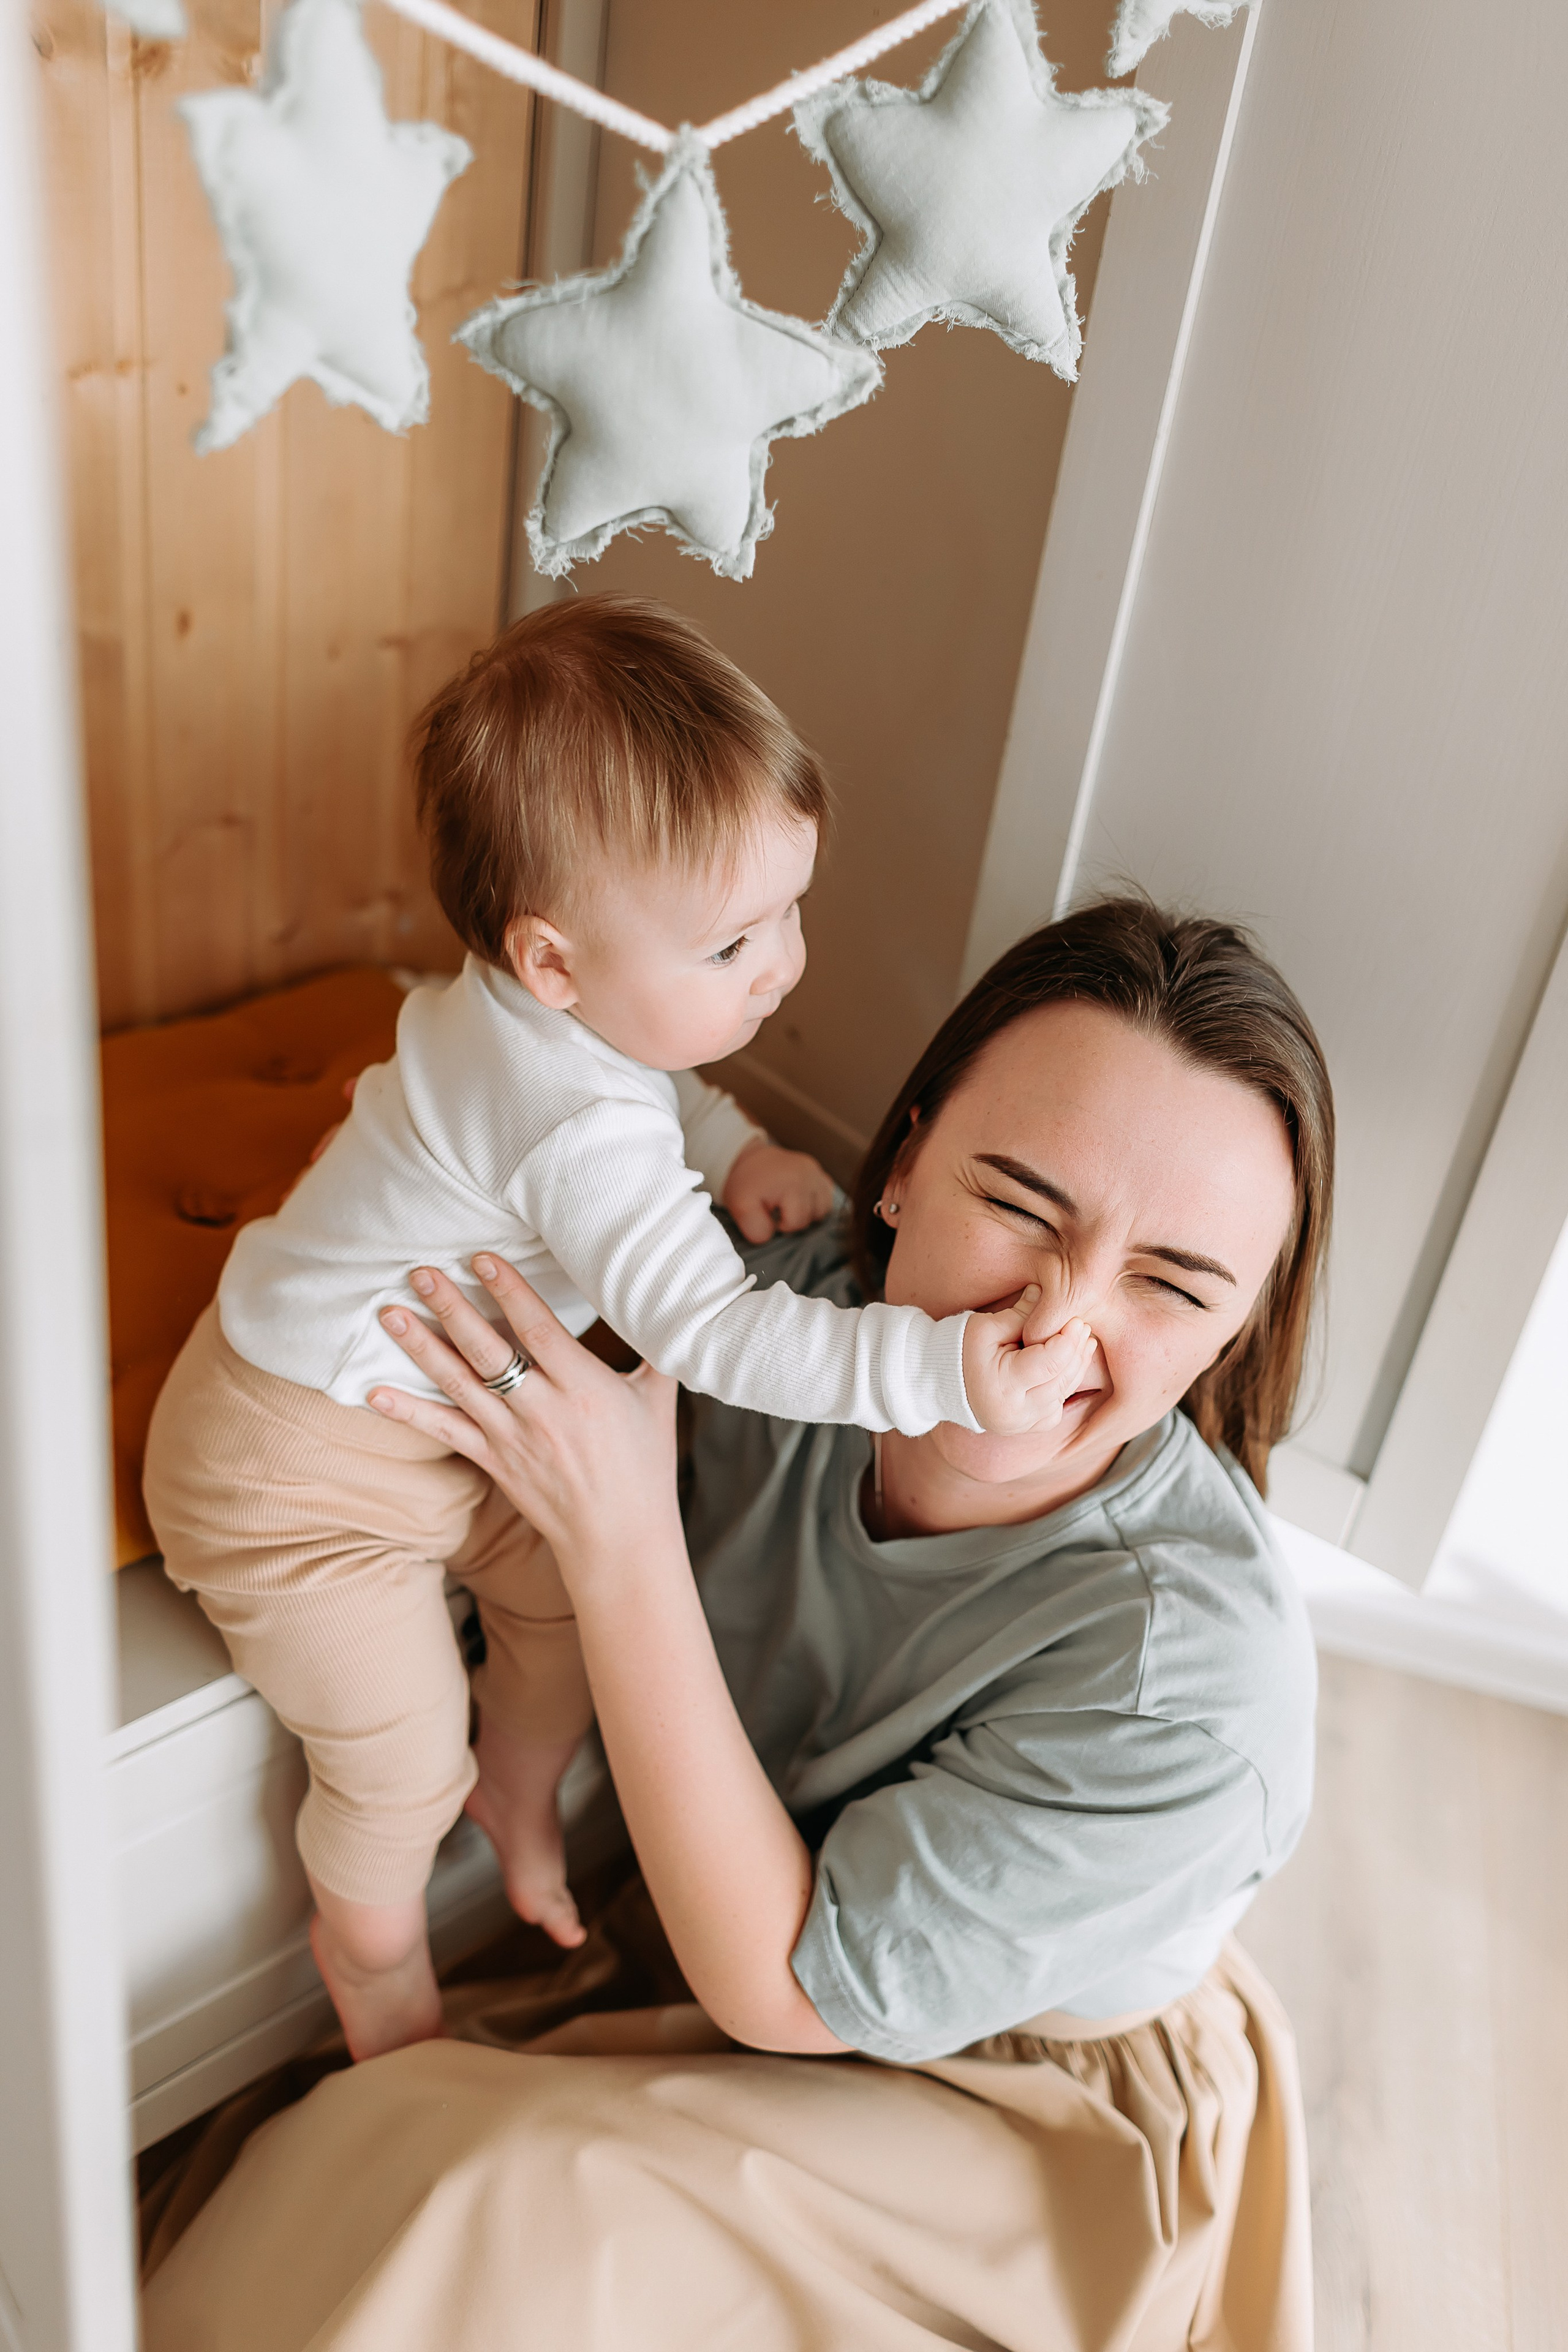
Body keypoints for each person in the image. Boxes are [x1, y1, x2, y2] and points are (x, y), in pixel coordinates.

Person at [141, 897, 1329, 2352]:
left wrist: (621, 1531)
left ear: (1235, 1326)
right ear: (900, 1165)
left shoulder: (1189, 1691)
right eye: (1018, 1205)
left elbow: (783, 1983)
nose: (1052, 1323)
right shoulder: (774, 1314)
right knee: (349, 2155)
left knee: (490, 2201)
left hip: (1007, 2079)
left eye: (1171, 1283)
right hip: (749, 1920)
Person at [141, 597, 1090, 2065]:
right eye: (731, 941)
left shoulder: (539, 1024)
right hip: (295, 1475)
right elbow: (712, 1329)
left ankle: (516, 1795)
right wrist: (934, 1368)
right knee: (396, 1761)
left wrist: (734, 1144)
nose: (778, 964)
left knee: (564, 1626)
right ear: (554, 964)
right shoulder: (569, 1121)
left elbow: (646, 1088)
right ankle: (374, 1951)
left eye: (786, 908)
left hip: (440, 1430)